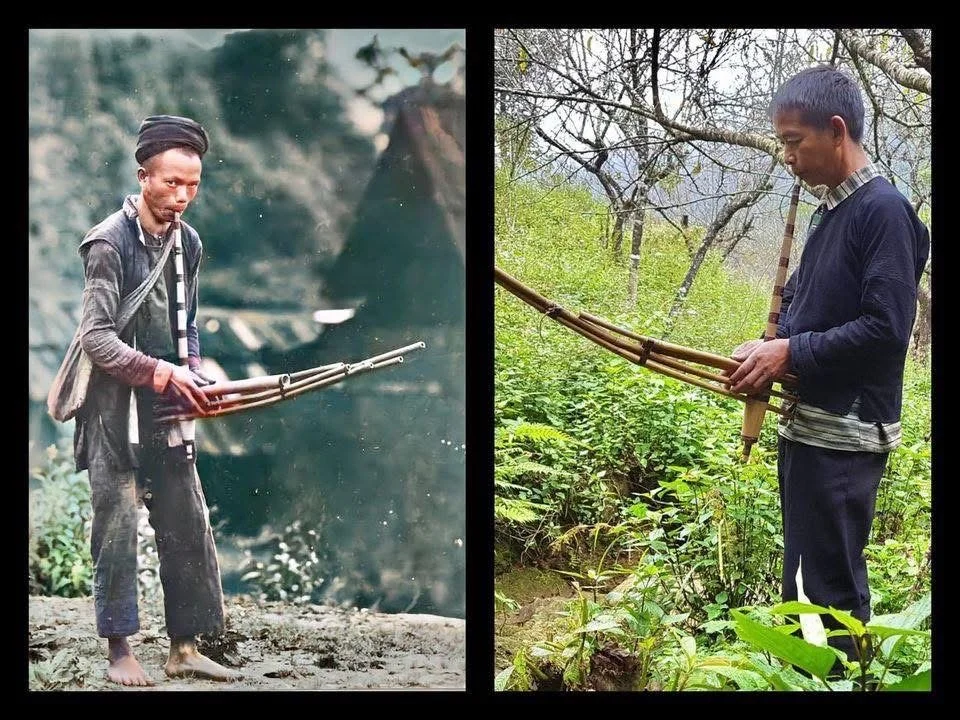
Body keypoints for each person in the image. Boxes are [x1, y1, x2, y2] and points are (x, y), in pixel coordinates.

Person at [725, 65, 929, 670]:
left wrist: (789, 352)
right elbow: (813, 309)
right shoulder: (832, 212)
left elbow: (887, 327)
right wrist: (770, 350)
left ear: (836, 131)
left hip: (845, 436)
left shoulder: (883, 211)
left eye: (794, 141)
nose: (786, 156)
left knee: (829, 594)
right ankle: (814, 678)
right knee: (806, 584)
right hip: (810, 427)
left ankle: (843, 681)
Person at [73, 115, 240, 685]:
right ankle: (120, 651)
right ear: (144, 175)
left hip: (166, 404)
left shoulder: (187, 242)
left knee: (185, 518)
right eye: (172, 183)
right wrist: (160, 372)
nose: (183, 196)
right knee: (116, 524)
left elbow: (186, 323)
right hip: (113, 410)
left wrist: (194, 374)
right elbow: (97, 339)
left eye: (193, 185)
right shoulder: (107, 243)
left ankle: (183, 648)